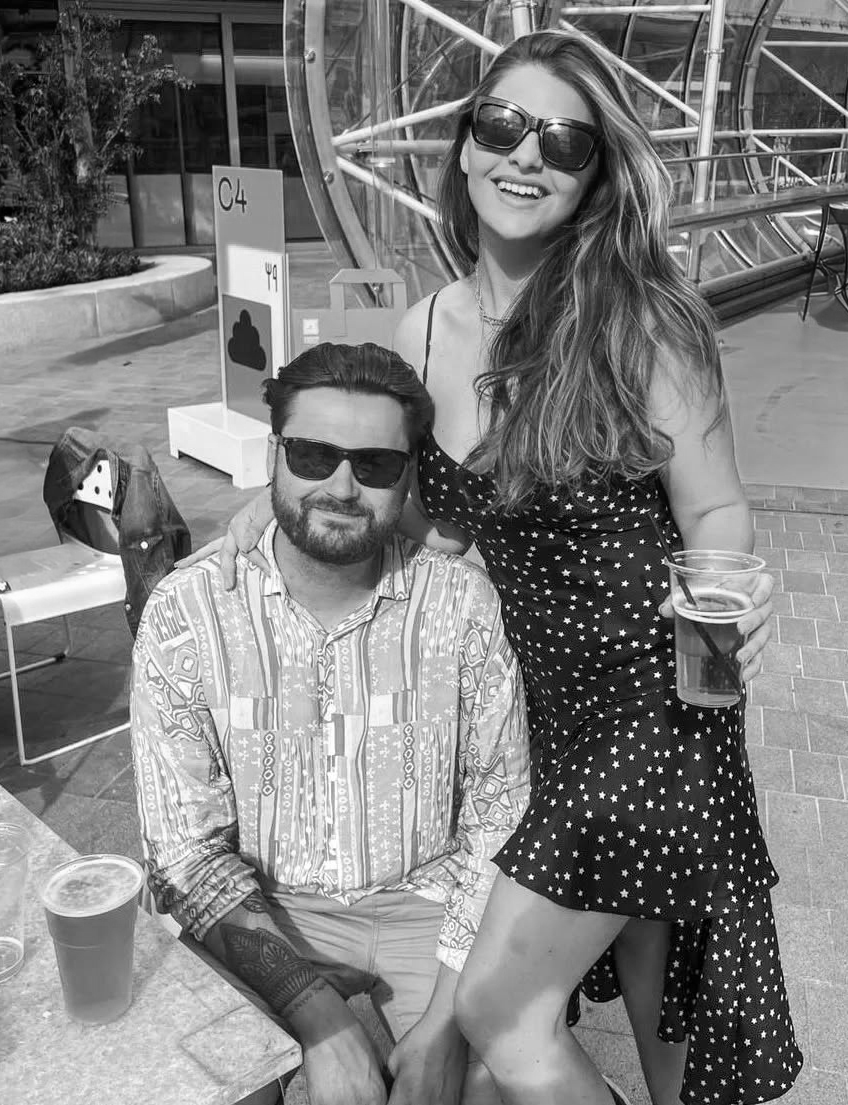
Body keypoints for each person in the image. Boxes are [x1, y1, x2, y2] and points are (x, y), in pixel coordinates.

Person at [183, 29, 800, 1105]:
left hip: (648, 709)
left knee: (503, 1011)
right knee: (658, 995)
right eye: (503, 126)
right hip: (528, 720)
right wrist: (274, 508)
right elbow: (421, 517)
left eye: (562, 141)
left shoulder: (641, 324)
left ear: (594, 173)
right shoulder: (423, 330)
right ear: (465, 147)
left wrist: (729, 604)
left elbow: (714, 506)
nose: (526, 156)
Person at [130, 342, 532, 1105]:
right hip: (260, 909)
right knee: (214, 1083)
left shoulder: (461, 606)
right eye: (314, 455)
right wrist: (321, 1018)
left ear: (409, 476)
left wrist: (444, 1027)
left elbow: (499, 819)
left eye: (375, 464)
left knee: (495, 1085)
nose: (342, 486)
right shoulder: (189, 613)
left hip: (431, 910)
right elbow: (184, 851)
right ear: (274, 456)